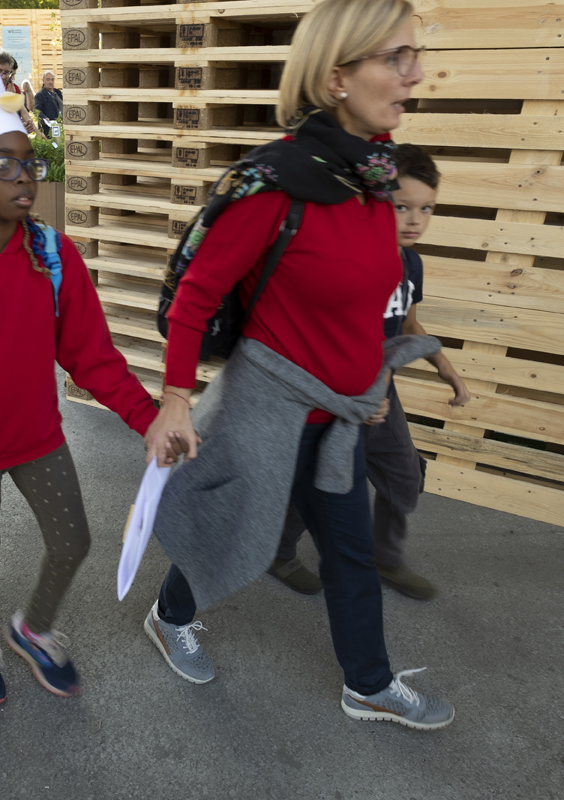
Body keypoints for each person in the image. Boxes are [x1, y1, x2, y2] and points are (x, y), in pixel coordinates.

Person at [141, 0, 456, 730]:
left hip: (337, 420)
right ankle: (169, 614)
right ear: (338, 74)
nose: (416, 75)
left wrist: (369, 385)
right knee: (229, 526)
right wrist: (177, 401)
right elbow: (195, 297)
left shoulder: (375, 181)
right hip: (266, 409)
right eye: (397, 58)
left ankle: (368, 684)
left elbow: (362, 311)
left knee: (348, 554)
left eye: (417, 56)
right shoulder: (277, 183)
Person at [0, 28, 174, 707]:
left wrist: (149, 419)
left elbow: (91, 356)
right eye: (4, 165)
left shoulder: (51, 255)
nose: (25, 177)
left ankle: (33, 628)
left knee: (73, 540)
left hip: (37, 434)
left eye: (30, 162)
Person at [270, 143, 470, 601]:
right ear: (376, 200)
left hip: (382, 396)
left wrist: (446, 368)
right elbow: (327, 335)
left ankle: (387, 558)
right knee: (323, 485)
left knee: (404, 476)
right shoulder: (349, 262)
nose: (415, 220)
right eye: (402, 207)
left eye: (426, 209)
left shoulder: (411, 262)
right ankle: (277, 553)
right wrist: (362, 394)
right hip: (336, 395)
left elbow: (408, 325)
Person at [0, 50, 39, 136]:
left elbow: (23, 112)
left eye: (6, 72)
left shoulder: (13, 88)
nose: (3, 76)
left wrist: (40, 136)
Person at [33, 71, 63, 137]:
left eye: (52, 79)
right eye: (48, 79)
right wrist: (44, 117)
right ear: (43, 81)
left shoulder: (58, 92)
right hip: (48, 129)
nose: (50, 82)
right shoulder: (40, 95)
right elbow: (36, 110)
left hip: (60, 126)